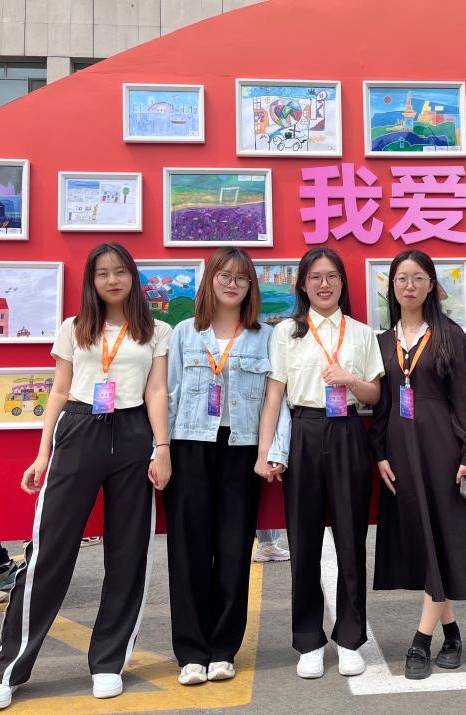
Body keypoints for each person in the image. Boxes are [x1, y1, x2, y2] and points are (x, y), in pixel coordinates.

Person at [0, 243, 172, 711]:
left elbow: (156, 390)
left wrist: (162, 448)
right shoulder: (73, 327)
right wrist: (41, 454)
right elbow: (59, 390)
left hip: (133, 434)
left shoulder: (156, 330)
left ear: (133, 277)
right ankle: (7, 670)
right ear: (91, 280)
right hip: (80, 428)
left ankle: (108, 662)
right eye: (103, 273)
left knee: (128, 554)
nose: (112, 280)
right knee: (49, 553)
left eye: (120, 272)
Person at [164, 247, 290, 686]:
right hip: (189, 446)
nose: (232, 284)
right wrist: (160, 450)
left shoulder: (265, 337)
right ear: (210, 280)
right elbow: (170, 394)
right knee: (188, 550)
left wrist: (274, 451)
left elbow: (278, 398)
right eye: (225, 275)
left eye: (241, 278)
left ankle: (222, 650)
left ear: (251, 287)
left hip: (242, 448)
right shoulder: (184, 333)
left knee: (235, 549)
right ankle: (190, 653)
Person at [256, 247, 383, 680]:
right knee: (304, 541)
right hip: (304, 432)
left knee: (351, 540)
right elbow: (275, 395)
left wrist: (351, 380)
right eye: (315, 277)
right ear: (303, 285)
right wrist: (266, 452)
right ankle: (308, 641)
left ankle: (350, 639)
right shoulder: (286, 332)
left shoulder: (361, 333)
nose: (324, 284)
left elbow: (374, 394)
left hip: (348, 431)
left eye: (331, 276)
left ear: (343, 282)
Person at [368, 249, 466, 681]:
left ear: (432, 285)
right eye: (401, 278)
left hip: (441, 452)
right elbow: (380, 408)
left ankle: (420, 641)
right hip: (400, 454)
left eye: (418, 278)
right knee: (425, 546)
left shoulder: (449, 335)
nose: (409, 286)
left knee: (442, 540)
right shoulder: (383, 342)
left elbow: (464, 401)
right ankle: (451, 632)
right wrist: (379, 453)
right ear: (392, 287)